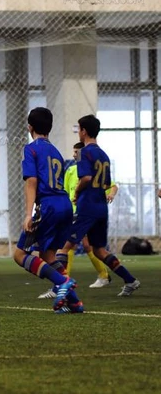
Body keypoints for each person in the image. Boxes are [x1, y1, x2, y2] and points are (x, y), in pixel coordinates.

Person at [56, 115, 140, 298]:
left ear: (84, 131)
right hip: (101, 207)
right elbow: (107, 183)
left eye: (79, 129)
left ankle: (60, 287)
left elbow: (86, 178)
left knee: (64, 246)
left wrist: (77, 192)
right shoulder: (104, 155)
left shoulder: (84, 152)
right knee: (99, 250)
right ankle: (130, 280)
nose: (78, 133)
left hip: (87, 207)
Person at [12, 107, 81, 314]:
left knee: (19, 254)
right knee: (48, 254)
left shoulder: (31, 149)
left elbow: (31, 182)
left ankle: (62, 282)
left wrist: (28, 214)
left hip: (49, 206)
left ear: (29, 127)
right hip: (64, 205)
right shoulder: (56, 151)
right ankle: (75, 303)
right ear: (50, 128)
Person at [37, 142, 119, 299]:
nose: (74, 155)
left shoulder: (91, 170)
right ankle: (103, 276)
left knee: (69, 246)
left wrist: (111, 194)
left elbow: (112, 186)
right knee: (82, 246)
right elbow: (65, 190)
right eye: (74, 152)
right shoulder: (70, 170)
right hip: (72, 211)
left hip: (85, 212)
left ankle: (62, 282)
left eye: (77, 152)